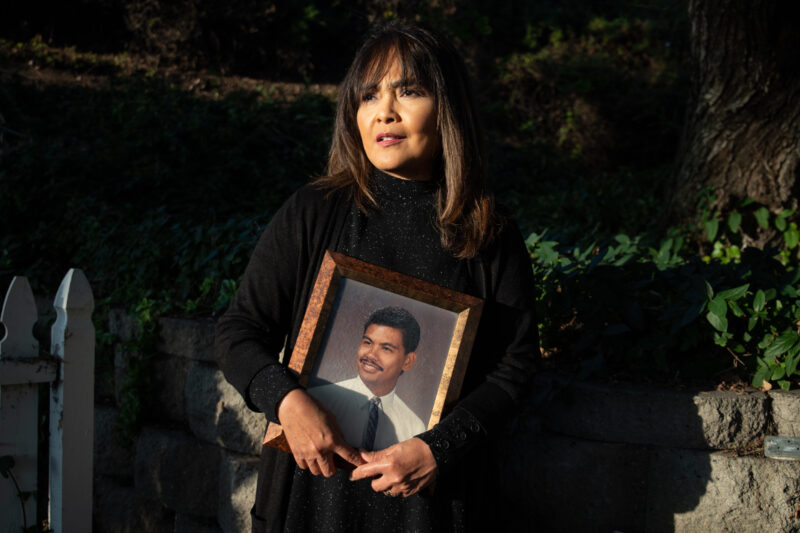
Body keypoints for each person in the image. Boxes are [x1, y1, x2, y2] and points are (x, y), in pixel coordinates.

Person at [215, 20, 539, 532]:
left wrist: (440, 449)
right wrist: (287, 401)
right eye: (368, 96)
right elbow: (239, 331)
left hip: (429, 507)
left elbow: (516, 365)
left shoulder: (487, 232)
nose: (384, 110)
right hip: (307, 499)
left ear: (447, 106)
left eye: (408, 91)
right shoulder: (313, 212)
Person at [308, 306, 427, 450]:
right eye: (368, 342)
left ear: (408, 361)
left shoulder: (414, 429)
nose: (371, 355)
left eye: (386, 348)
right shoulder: (317, 401)